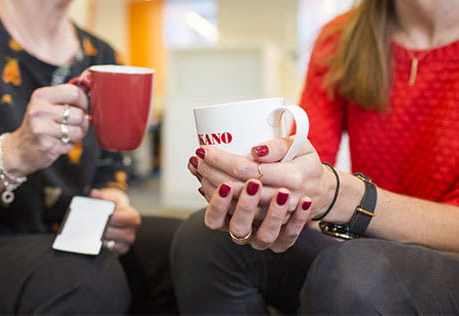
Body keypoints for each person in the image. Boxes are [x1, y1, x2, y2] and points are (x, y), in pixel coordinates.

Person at [172, 0, 459, 314]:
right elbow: (306, 159)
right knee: (206, 238)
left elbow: (333, 195)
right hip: (368, 250)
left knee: (356, 273)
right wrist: (271, 194)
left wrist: (345, 198)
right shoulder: (343, 37)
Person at [0, 0, 180, 314]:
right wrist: (16, 151)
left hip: (65, 237)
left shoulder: (101, 55)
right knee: (80, 277)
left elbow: (111, 168)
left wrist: (113, 203)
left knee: (188, 247)